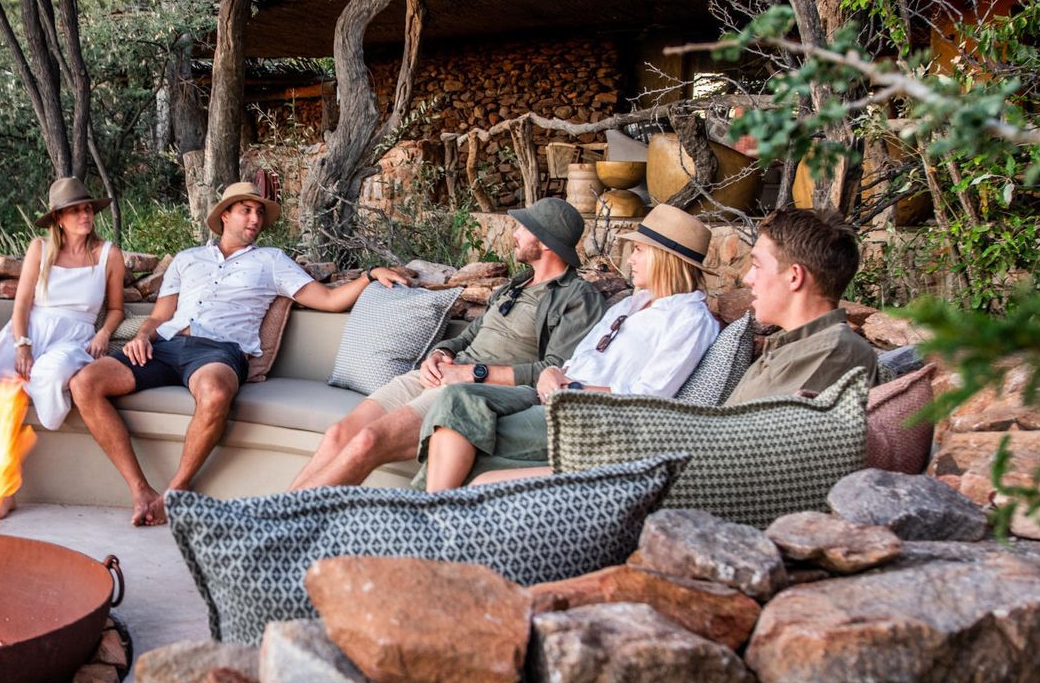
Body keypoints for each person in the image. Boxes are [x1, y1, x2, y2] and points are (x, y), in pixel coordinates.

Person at [68, 180, 410, 526]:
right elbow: (160, 315)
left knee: (215, 394)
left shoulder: (272, 261)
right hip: (166, 346)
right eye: (246, 210)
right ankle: (140, 490)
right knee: (85, 382)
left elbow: (328, 300)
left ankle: (177, 491)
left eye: (260, 212)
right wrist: (142, 336)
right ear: (225, 215)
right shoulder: (187, 259)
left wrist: (368, 275)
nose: (255, 218)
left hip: (218, 352)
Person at [285, 196, 605, 490]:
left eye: (525, 228)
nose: (516, 233)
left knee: (367, 441)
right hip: (445, 375)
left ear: (545, 242)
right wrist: (440, 354)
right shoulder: (517, 285)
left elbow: (554, 370)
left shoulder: (577, 296)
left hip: (471, 393)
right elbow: (470, 334)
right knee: (338, 435)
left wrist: (471, 375)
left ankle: (286, 532)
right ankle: (267, 520)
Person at [421, 203, 721, 490]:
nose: (630, 259)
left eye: (639, 251)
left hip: (592, 415)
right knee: (457, 398)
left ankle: (426, 518)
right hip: (554, 394)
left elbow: (650, 395)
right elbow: (581, 356)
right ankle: (429, 513)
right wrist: (554, 372)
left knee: (465, 432)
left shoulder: (690, 319)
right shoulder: (630, 304)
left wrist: (572, 388)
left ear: (663, 257)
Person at [0, 177, 124, 429]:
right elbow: (21, 305)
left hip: (75, 335)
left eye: (87, 208)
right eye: (75, 210)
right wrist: (22, 344)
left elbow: (116, 309)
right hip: (32, 329)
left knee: (51, 373)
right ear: (58, 219)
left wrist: (103, 334)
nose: (84, 215)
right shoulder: (40, 248)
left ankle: (45, 402)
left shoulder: (109, 254)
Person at [721, 207, 878, 403]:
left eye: (757, 266)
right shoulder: (794, 346)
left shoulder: (832, 354)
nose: (747, 279)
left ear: (794, 276)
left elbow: (746, 429)